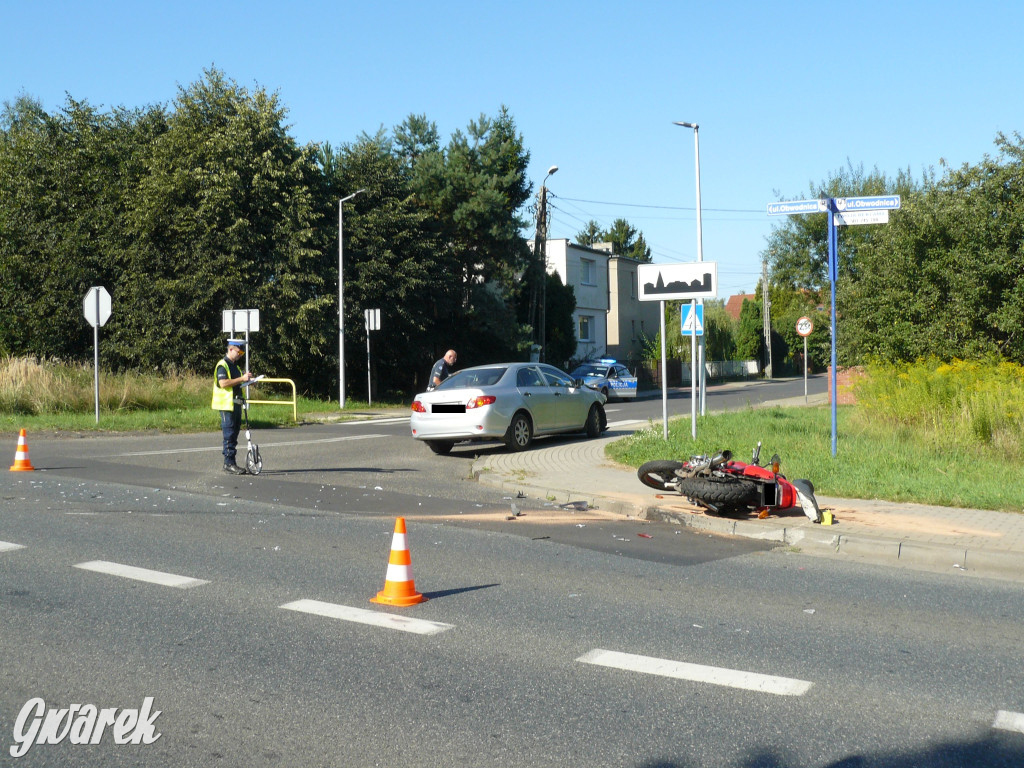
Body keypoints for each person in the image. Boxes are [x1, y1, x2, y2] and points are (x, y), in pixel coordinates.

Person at [212, 338, 253, 474]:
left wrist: (248, 381)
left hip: (235, 404)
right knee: (229, 434)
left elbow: (237, 384)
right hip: (226, 405)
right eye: (238, 351)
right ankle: (228, 464)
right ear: (230, 349)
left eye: (242, 352)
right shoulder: (223, 365)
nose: (240, 354)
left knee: (234, 434)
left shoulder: (235, 366)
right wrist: (242, 379)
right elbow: (223, 383)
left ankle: (231, 462)